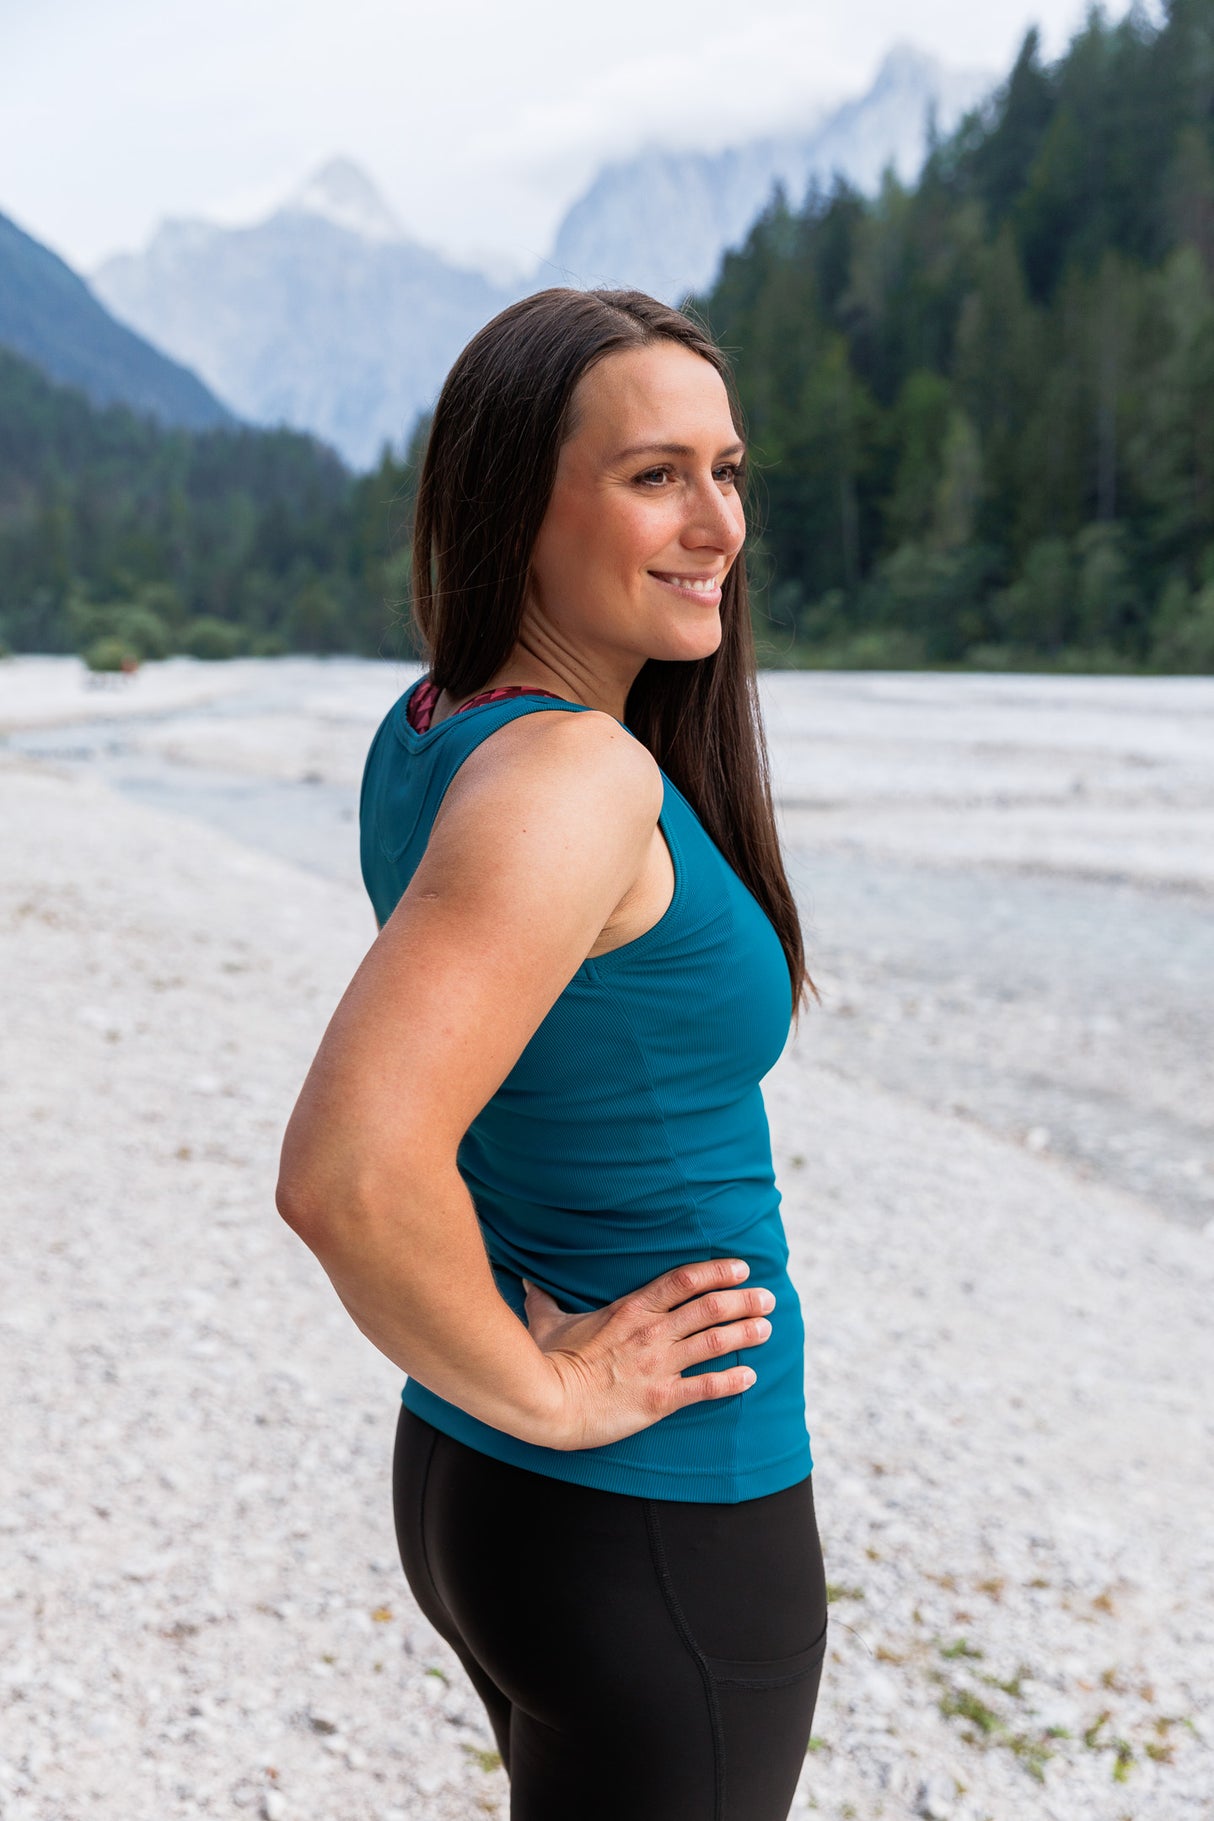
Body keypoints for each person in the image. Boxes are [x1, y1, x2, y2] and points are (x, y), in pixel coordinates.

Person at [276, 287, 827, 1820]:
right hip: (646, 1506)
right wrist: (556, 1394)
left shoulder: (440, 721)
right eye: (654, 474)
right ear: (514, 501)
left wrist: (516, 1400)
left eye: (728, 471)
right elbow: (347, 1176)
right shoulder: (572, 778)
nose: (715, 521)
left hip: (495, 1481)